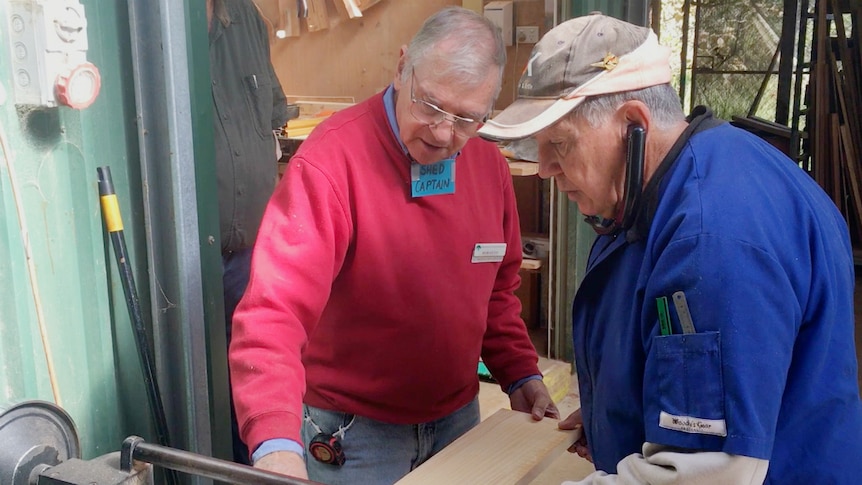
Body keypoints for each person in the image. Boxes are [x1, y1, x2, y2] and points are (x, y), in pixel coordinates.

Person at [479, 12, 862, 485]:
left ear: (633, 123)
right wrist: (616, 418)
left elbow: (709, 471)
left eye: (559, 143)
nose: (544, 169)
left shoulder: (711, 239)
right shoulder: (679, 182)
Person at [228, 6, 559, 484]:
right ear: (402, 67)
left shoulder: (488, 167)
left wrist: (521, 374)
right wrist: (275, 443)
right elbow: (272, 314)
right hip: (351, 435)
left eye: (468, 119)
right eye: (431, 106)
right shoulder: (330, 163)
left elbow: (495, 292)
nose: (444, 135)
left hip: (457, 420)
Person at [207, 0, 291, 465]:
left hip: (251, 252)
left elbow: (274, 115)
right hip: (185, 257)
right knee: (202, 394)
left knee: (254, 380)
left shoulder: (247, 18)